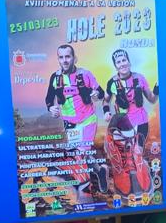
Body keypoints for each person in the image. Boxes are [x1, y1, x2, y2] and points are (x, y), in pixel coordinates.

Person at [44, 44, 104, 196]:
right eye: (61, 57)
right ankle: (100, 171)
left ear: (74, 58)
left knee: (79, 154)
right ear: (58, 59)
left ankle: (85, 192)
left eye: (67, 56)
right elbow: (49, 99)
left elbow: (101, 92)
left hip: (88, 120)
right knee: (81, 155)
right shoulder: (55, 77)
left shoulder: (85, 74)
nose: (64, 60)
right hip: (70, 124)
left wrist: (97, 94)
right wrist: (51, 108)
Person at [102, 48, 158, 148]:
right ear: (115, 66)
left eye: (124, 60)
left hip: (141, 121)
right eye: (118, 62)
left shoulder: (140, 78)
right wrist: (106, 112)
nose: (122, 64)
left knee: (137, 152)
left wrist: (157, 87)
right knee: (121, 152)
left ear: (129, 62)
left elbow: (152, 99)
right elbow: (105, 101)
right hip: (123, 123)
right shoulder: (112, 82)